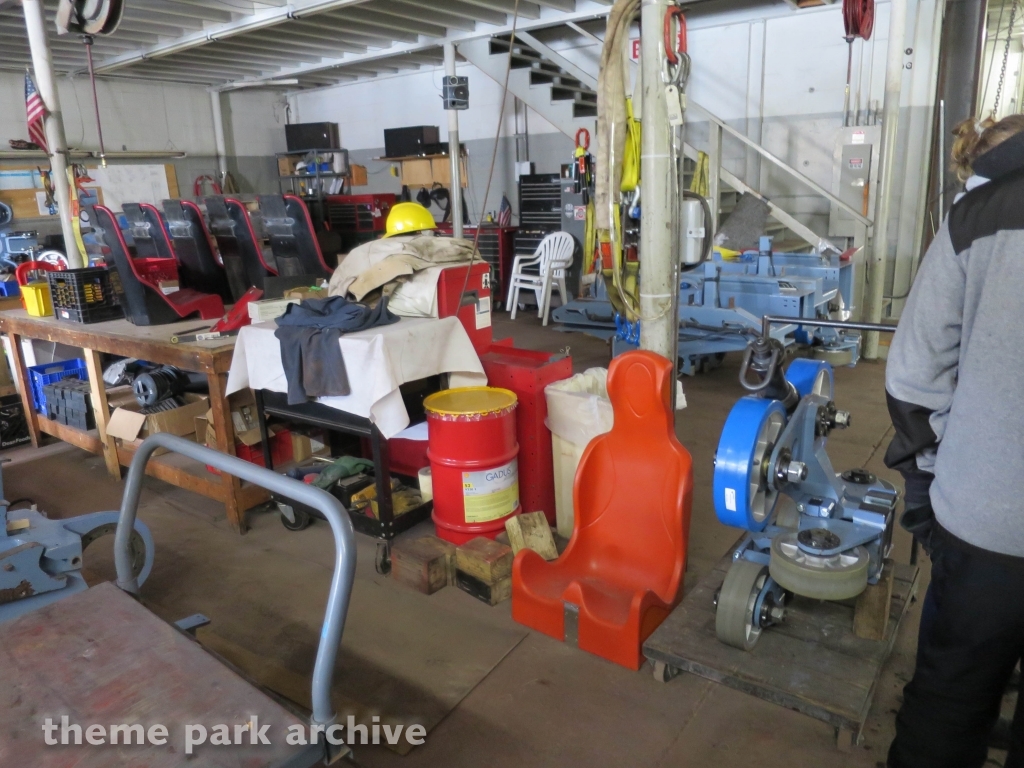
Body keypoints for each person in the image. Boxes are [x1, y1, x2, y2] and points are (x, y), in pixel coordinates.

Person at [886, 113, 1024, 768]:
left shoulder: (980, 213)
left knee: (949, 700)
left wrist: (935, 478)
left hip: (986, 517)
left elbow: (914, 376)